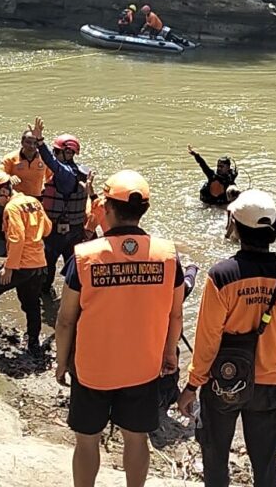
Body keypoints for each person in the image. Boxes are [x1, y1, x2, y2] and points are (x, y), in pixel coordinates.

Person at [55, 170, 185, 487]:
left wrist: (61, 362)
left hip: (92, 369)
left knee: (86, 441)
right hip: (143, 368)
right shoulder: (168, 256)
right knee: (137, 440)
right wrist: (169, 355)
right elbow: (175, 315)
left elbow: (66, 319)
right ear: (144, 210)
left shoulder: (85, 256)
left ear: (107, 208)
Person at [177, 189, 276, 487]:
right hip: (269, 384)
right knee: (265, 462)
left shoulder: (222, 276)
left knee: (215, 457)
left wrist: (192, 385)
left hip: (224, 381)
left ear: (235, 227)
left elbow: (208, 339)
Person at [0, 171, 52, 354]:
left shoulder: (12, 208)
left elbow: (17, 239)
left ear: (1, 191)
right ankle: (33, 344)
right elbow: (47, 229)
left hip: (21, 265)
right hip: (39, 263)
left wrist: (9, 267)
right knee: (32, 304)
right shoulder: (33, 201)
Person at [29, 117, 90, 299]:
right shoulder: (80, 171)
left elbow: (51, 162)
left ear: (68, 153)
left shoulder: (65, 174)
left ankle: (45, 296)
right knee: (75, 267)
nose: (54, 154)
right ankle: (78, 299)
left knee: (48, 265)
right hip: (75, 230)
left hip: (58, 232)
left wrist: (40, 142)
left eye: (57, 151)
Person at [0, 129, 50, 199]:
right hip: (16, 198)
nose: (32, 146)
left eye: (35, 143)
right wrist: (8, 178)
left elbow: (50, 178)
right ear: (22, 143)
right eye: (28, 142)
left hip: (37, 198)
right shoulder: (10, 158)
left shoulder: (44, 159)